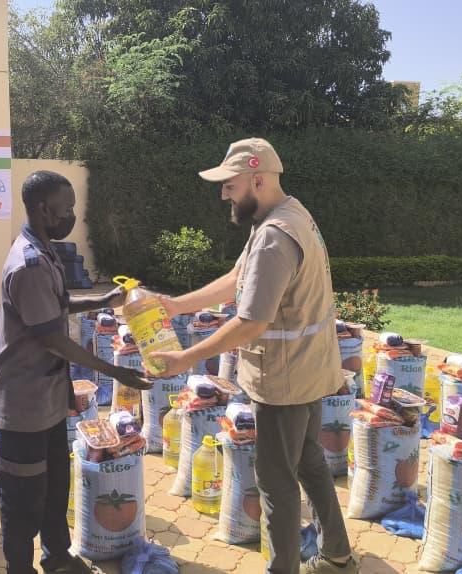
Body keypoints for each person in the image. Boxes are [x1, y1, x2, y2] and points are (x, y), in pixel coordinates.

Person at [149, 139, 357, 574]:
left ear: (257, 180)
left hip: (283, 378)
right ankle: (337, 555)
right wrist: (175, 306)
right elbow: (237, 277)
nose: (223, 193)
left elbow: (251, 322)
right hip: (310, 368)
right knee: (308, 461)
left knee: (276, 484)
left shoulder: (273, 237)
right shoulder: (288, 215)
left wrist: (187, 358)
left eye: (230, 184)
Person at [0, 170, 152, 574]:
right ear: (45, 209)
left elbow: (57, 305)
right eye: (67, 208)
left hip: (47, 395)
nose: (72, 216)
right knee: (23, 494)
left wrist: (104, 300)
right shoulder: (28, 264)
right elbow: (51, 338)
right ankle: (20, 568)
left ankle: (57, 556)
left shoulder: (43, 251)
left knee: (55, 482)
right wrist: (114, 371)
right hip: (23, 401)